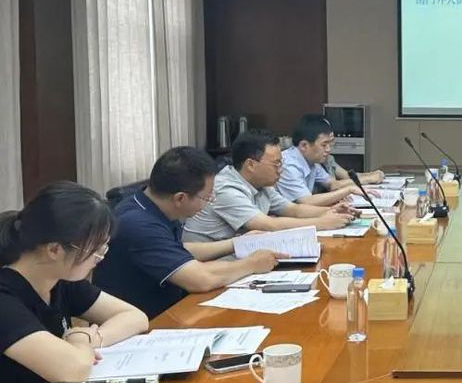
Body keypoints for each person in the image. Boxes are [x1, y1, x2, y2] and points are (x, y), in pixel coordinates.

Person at [0, 182, 149, 383]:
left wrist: (89, 337)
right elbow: (73, 367)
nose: (101, 256)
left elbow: (136, 317)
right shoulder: (6, 296)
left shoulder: (59, 278)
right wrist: (79, 343)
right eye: (96, 248)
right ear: (54, 250)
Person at [94, 147, 286, 319]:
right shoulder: (138, 224)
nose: (210, 201)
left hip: (171, 307)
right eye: (207, 197)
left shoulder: (150, 203)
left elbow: (177, 249)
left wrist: (236, 243)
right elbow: (200, 279)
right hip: (150, 321)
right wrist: (252, 264)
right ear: (180, 198)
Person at [182, 131, 354, 242]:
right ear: (251, 164)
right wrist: (322, 223)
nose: (281, 170)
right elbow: (268, 224)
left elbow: (293, 209)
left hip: (238, 254)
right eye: (276, 164)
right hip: (209, 263)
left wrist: (330, 211)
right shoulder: (226, 188)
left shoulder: (261, 185)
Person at [277, 114, 382, 205]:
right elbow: (306, 201)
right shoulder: (289, 165)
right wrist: (348, 190)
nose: (328, 149)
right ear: (304, 145)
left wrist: (338, 196)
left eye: (329, 144)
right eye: (324, 145)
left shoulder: (312, 161)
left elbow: (332, 184)